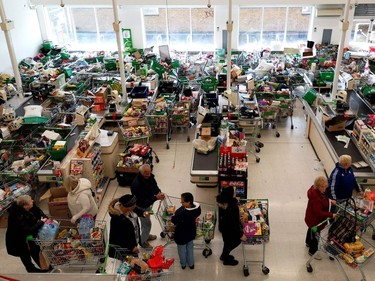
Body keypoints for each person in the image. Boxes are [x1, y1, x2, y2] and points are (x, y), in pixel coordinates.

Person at [5, 195, 50, 273]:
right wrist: (40, 222)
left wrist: (45, 218)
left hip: (28, 235)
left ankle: (43, 266)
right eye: (30, 202)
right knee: (24, 253)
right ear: (25, 206)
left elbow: (38, 211)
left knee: (35, 249)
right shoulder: (17, 215)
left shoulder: (30, 205)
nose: (32, 201)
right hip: (18, 238)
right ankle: (30, 269)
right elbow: (28, 230)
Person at [131, 163, 165, 248]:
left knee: (145, 224)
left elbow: (154, 186)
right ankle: (143, 241)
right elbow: (143, 201)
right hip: (141, 207)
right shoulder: (136, 185)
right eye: (146, 172)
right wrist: (156, 198)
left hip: (148, 203)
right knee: (147, 224)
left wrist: (158, 192)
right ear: (140, 172)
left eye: (149, 172)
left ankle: (145, 235)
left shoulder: (150, 177)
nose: (148, 174)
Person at [305, 176, 336, 260]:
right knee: (316, 236)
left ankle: (308, 242)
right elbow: (318, 212)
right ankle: (312, 251)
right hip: (315, 220)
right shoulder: (316, 198)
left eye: (326, 186)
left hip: (310, 218)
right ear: (317, 186)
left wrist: (330, 201)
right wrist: (331, 215)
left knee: (310, 229)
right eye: (322, 187)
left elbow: (323, 198)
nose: (324, 188)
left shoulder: (315, 191)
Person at [216, 186, 247, 266]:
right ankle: (226, 259)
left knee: (227, 243)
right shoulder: (232, 207)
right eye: (234, 192)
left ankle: (223, 256)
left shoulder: (223, 203)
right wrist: (240, 234)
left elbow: (231, 203)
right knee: (235, 242)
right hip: (230, 230)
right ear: (231, 195)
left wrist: (235, 200)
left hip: (224, 228)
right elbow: (234, 223)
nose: (236, 192)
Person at [171, 192, 201, 270]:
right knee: (190, 248)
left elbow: (174, 220)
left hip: (181, 234)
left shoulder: (181, 212)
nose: (181, 203)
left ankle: (183, 264)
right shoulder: (197, 209)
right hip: (191, 232)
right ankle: (191, 264)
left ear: (188, 203)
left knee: (181, 250)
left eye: (182, 201)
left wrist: (173, 213)